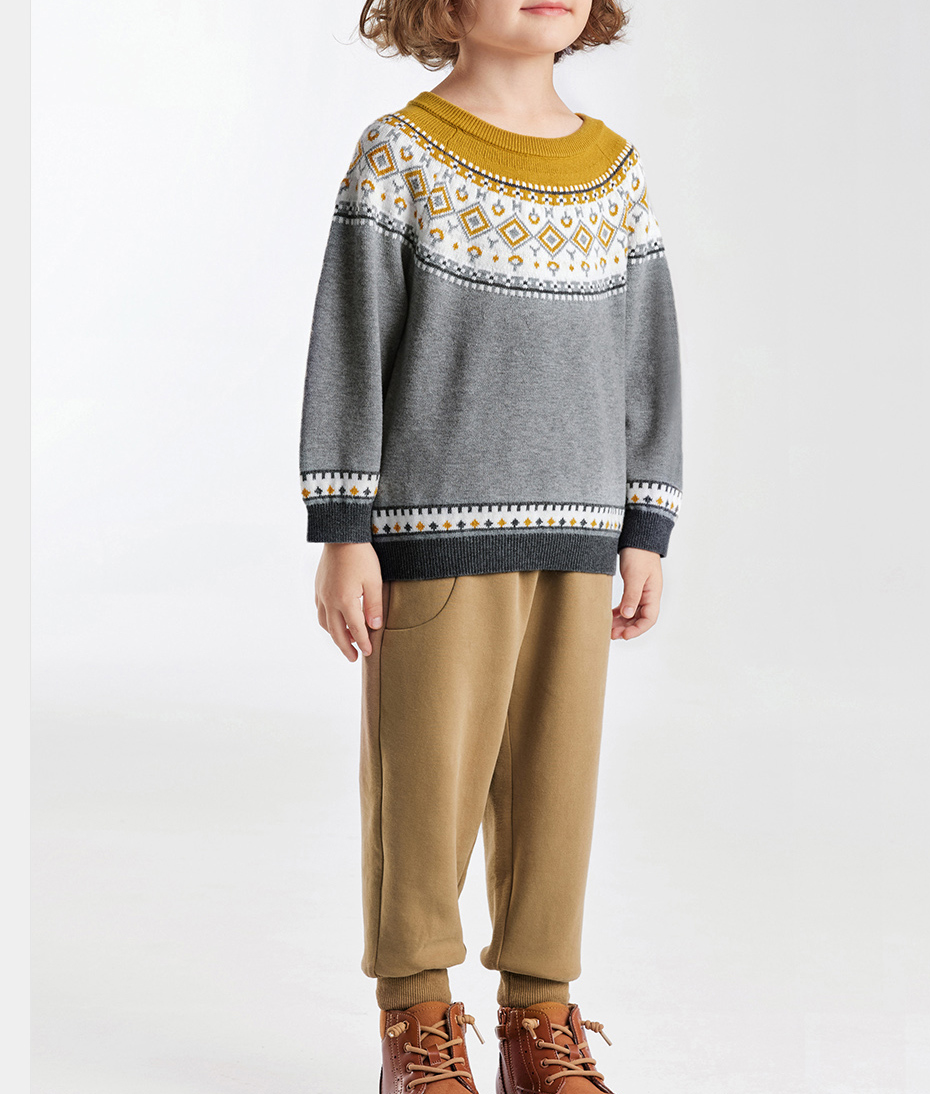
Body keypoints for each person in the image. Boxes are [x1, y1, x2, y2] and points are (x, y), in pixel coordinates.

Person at [298, 1, 683, 1089]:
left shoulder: (614, 170)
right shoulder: (401, 153)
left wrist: (646, 521)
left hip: (581, 538)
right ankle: (417, 1023)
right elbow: (349, 343)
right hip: (432, 536)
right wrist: (342, 527)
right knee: (422, 787)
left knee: (557, 786)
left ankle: (537, 1021)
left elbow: (648, 354)